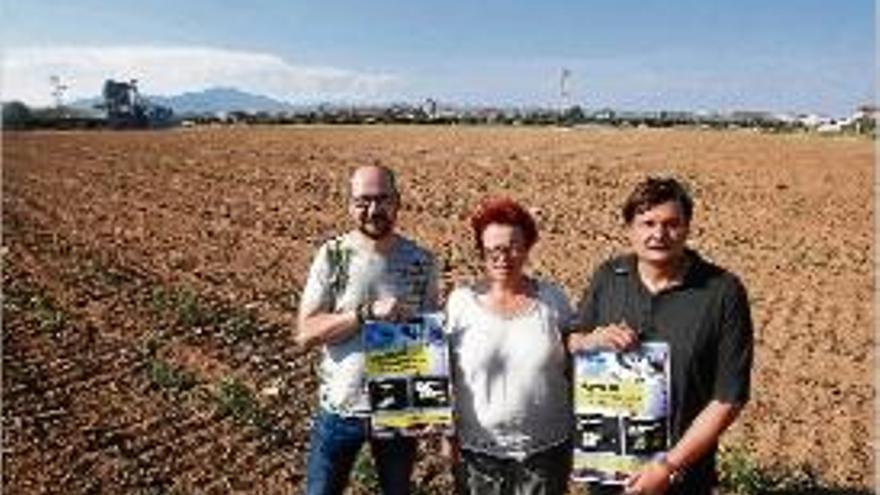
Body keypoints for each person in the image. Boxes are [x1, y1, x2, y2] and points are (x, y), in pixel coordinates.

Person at [568, 177, 754, 495]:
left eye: (671, 224)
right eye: (647, 223)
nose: (658, 234)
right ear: (630, 228)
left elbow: (728, 398)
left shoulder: (721, 291)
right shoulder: (609, 277)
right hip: (609, 472)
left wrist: (668, 467)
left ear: (688, 227)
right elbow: (572, 342)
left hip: (682, 477)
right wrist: (587, 341)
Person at [296, 165, 439, 495]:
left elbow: (428, 339)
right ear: (349, 205)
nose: (373, 210)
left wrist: (431, 405)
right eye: (363, 201)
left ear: (398, 201)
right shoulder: (333, 257)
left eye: (382, 199)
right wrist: (364, 314)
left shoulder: (422, 262)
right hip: (340, 410)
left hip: (397, 413)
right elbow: (305, 332)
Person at [445, 197, 574, 495]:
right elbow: (444, 372)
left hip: (545, 454)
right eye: (493, 249)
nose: (503, 257)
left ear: (528, 246)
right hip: (477, 454)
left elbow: (576, 355)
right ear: (481, 251)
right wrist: (445, 432)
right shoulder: (460, 303)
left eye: (513, 246)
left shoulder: (552, 300)